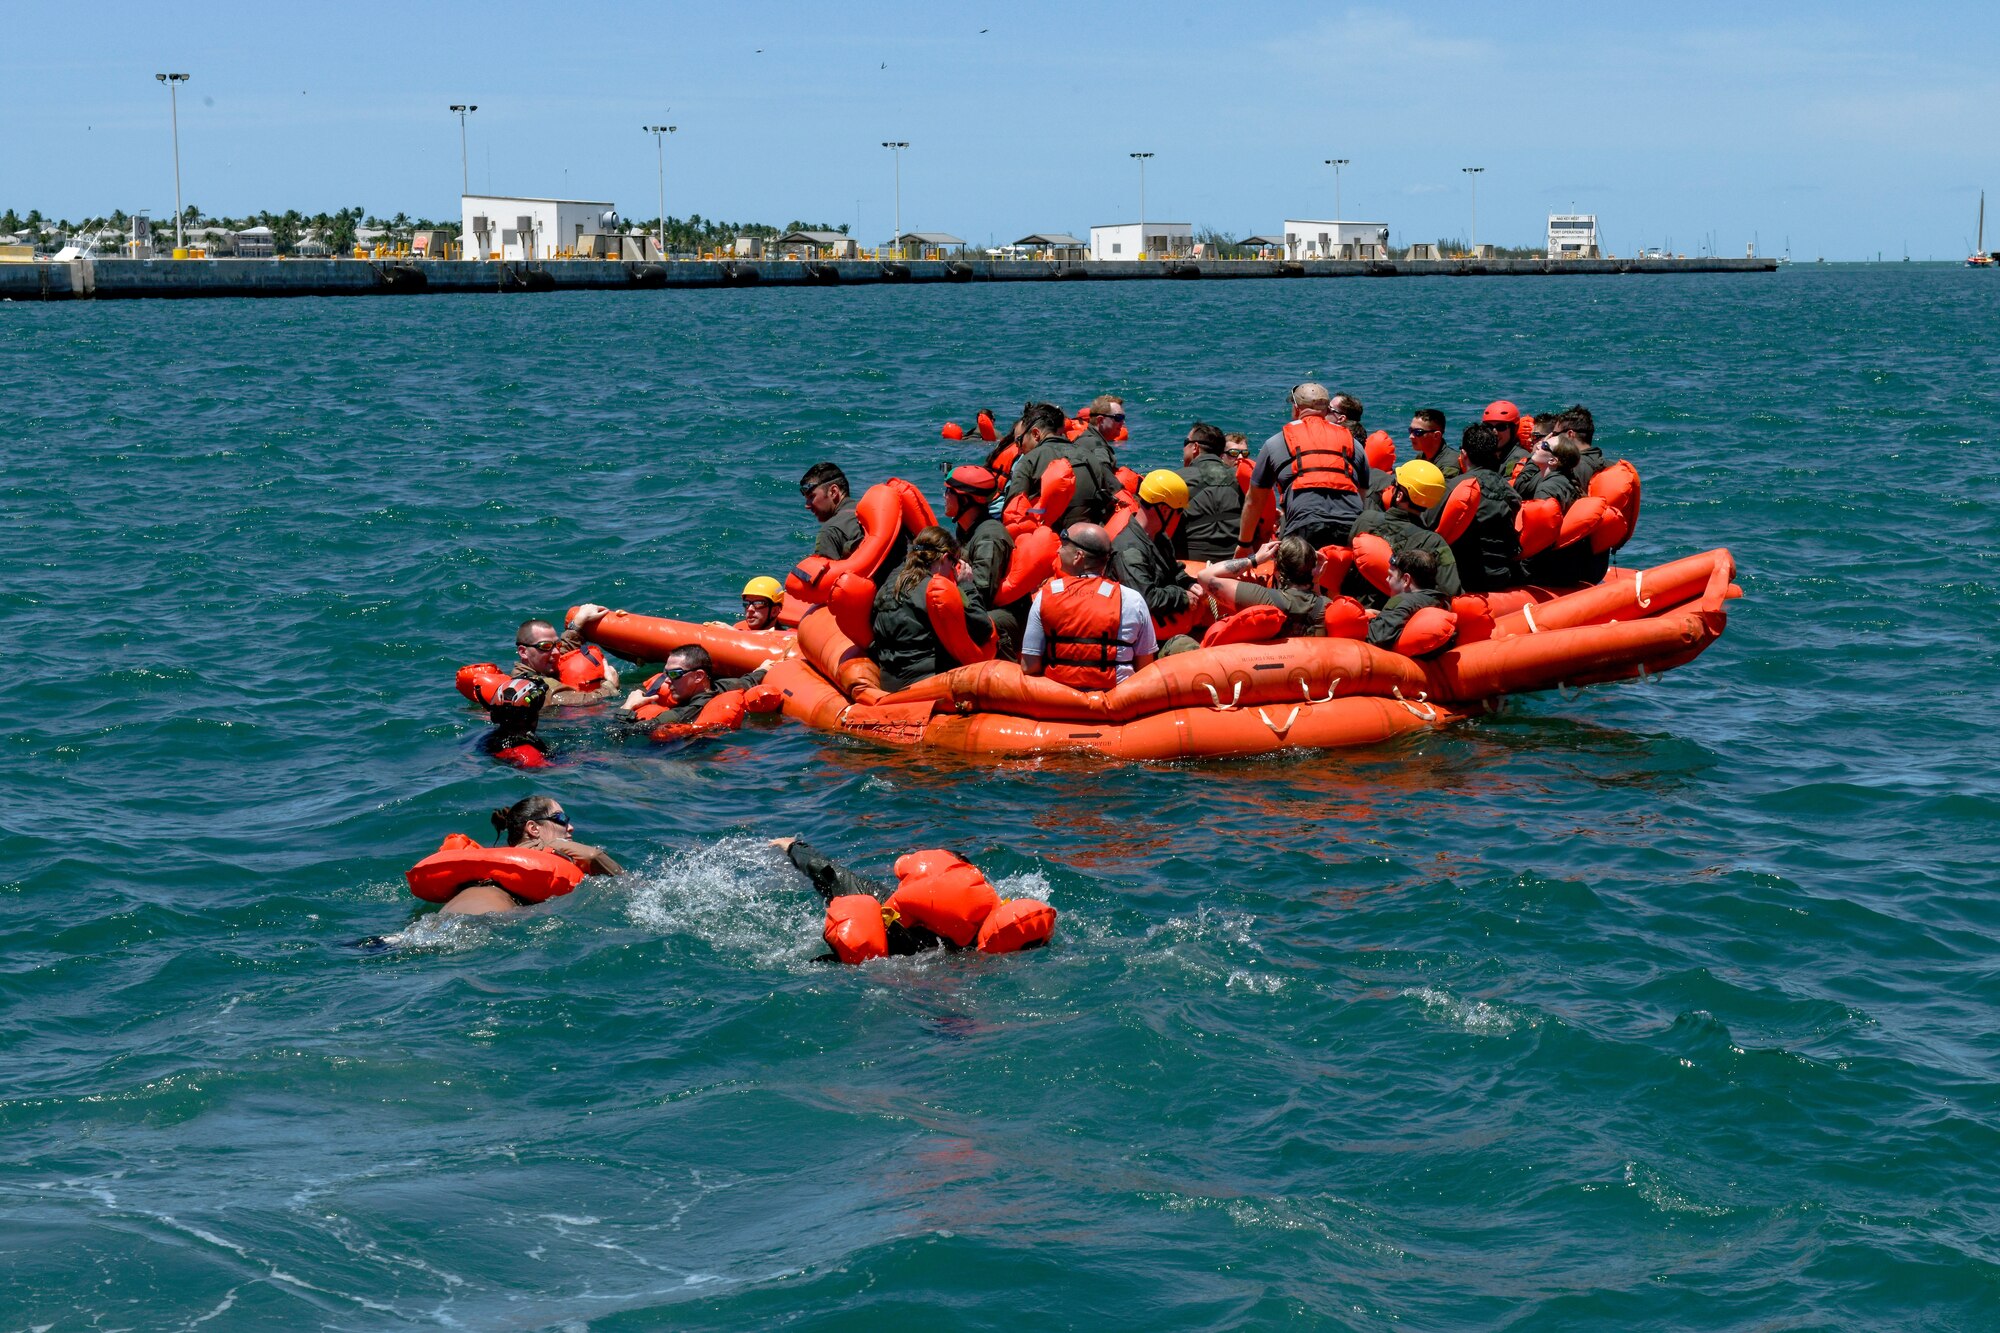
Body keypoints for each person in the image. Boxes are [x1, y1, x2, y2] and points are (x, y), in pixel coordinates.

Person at [1239, 381, 1370, 555]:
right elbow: (1361, 497)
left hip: (1304, 527)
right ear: (1327, 411)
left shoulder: (1274, 443)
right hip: (1351, 527)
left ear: (1295, 409)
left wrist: (1244, 544)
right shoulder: (1354, 445)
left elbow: (1254, 501)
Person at [437, 796, 624, 917]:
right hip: (492, 914)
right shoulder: (548, 846)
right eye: (561, 819)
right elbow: (592, 855)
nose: (570, 827)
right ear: (533, 828)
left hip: (447, 913)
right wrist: (628, 883)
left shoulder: (493, 861)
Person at [1021, 524, 1158, 688]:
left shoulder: (1045, 596)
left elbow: (1029, 666)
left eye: (1064, 545)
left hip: (1059, 702)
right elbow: (1145, 668)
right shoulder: (1132, 599)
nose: (1058, 551)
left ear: (1078, 556)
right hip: (1117, 703)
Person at [769, 836, 944, 958]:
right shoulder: (952, 936)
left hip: (884, 924)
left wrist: (793, 846)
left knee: (830, 878)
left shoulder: (872, 899)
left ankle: (791, 846)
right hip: (894, 924)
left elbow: (826, 870)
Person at [869, 525, 994, 691]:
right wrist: (966, 585)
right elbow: (983, 629)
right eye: (953, 563)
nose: (953, 570)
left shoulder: (887, 585)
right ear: (944, 558)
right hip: (927, 684)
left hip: (888, 684)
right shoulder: (935, 591)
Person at [1111, 469, 1203, 653]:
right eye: (1179, 512)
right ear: (1164, 510)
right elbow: (1146, 598)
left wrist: (1189, 583)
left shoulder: (1159, 538)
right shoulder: (1129, 550)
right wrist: (1182, 596)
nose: (1180, 518)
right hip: (1139, 643)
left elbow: (1172, 570)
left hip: (1160, 629)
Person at [1351, 459, 1464, 603]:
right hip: (1404, 615)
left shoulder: (1365, 520)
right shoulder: (1433, 542)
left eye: (1394, 485)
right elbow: (1451, 591)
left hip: (1360, 607)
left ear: (1399, 495)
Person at [1005, 400, 1120, 531]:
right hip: (1091, 537)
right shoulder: (1090, 456)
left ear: (1036, 434)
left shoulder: (1028, 461)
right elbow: (1117, 493)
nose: (1019, 449)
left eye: (1019, 441)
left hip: (1052, 541)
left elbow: (1013, 513)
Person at [941, 464, 1020, 653]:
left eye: (949, 491)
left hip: (1003, 619)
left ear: (966, 500)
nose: (944, 496)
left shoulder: (988, 538)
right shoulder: (967, 529)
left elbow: (982, 596)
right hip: (976, 603)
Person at [1439, 423, 1523, 592]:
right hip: (1502, 574)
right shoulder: (1509, 490)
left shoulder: (1455, 487)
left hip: (1469, 578)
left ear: (1463, 454)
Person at [1197, 535, 1335, 636]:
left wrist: (1254, 559)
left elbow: (1205, 576)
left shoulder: (1261, 598)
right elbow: (1311, 601)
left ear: (1277, 571)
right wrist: (1315, 581)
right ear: (1313, 569)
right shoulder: (1327, 606)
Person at [800, 461, 910, 576]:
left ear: (833, 492)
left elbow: (822, 586)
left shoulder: (830, 531)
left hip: (888, 591)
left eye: (812, 497)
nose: (807, 505)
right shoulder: (875, 513)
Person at [621, 644, 767, 726]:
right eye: (665, 673)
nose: (666, 680)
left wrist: (627, 707)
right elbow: (749, 680)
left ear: (698, 676)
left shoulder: (686, 712)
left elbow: (623, 733)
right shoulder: (726, 685)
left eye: (674, 674)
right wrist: (763, 669)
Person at [510, 608, 621, 705]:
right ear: (523, 652)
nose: (556, 652)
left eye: (556, 645)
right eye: (546, 646)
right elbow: (577, 702)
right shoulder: (533, 687)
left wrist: (576, 625)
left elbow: (563, 649)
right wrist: (610, 687)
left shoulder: (538, 668)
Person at [1173, 422, 1245, 563]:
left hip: (1190, 560)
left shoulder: (1178, 479)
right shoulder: (1240, 478)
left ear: (1195, 447)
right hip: (1235, 559)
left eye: (1185, 442)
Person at [1367, 548, 1456, 656]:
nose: (1386, 580)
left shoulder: (1402, 601)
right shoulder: (1440, 600)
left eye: (1390, 575)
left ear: (1406, 580)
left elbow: (1376, 637)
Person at [1406, 409, 1458, 483]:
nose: (1411, 436)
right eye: (1410, 430)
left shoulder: (1450, 464)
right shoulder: (1421, 457)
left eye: (1418, 432)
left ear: (1436, 436)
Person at [1483, 400, 1530, 478]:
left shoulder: (1520, 458)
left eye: (1501, 427)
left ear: (1513, 429)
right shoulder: (1482, 454)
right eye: (1489, 427)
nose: (1494, 432)